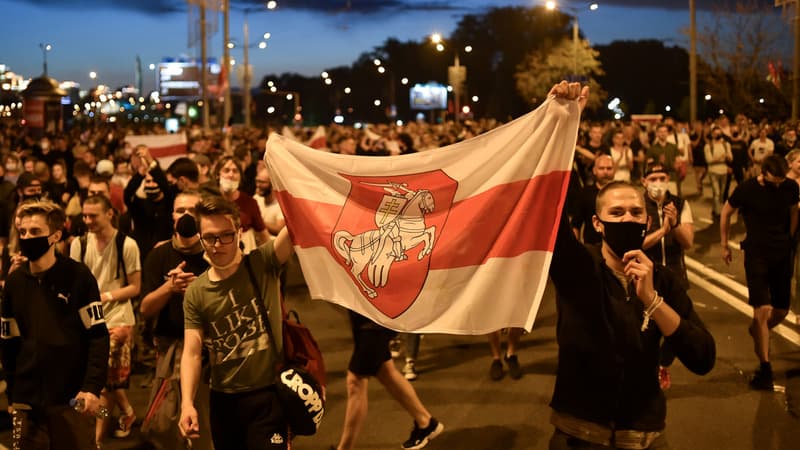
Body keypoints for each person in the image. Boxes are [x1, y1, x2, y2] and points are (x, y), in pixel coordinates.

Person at [547, 81, 715, 449]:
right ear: (597, 224)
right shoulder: (579, 267)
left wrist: (653, 301)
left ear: (648, 223)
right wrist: (560, 123)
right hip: (579, 433)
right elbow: (549, 207)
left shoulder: (664, 282)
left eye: (636, 212)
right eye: (616, 212)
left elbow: (703, 357)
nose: (627, 219)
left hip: (643, 435)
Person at [178, 196, 294, 450]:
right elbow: (192, 352)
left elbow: (297, 224)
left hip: (268, 395)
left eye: (226, 235)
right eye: (210, 237)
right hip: (224, 400)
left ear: (239, 231)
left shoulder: (262, 263)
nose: (218, 245)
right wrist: (187, 403)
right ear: (200, 238)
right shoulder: (197, 292)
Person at [1, 199, 110, 449]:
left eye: (35, 232)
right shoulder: (15, 283)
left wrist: (92, 388)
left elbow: (98, 336)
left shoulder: (78, 277)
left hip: (71, 399)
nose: (27, 237)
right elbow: (9, 343)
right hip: (26, 404)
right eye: (23, 232)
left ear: (55, 235)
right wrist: (13, 394)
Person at [139, 190, 213, 450]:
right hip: (170, 351)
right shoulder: (158, 256)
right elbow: (145, 308)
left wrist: (200, 289)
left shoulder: (213, 254)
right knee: (167, 425)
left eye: (192, 211)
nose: (186, 216)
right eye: (180, 210)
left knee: (204, 423)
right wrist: (169, 288)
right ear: (172, 216)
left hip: (207, 354)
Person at [720, 154, 798, 390]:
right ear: (763, 173)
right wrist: (724, 244)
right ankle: (765, 368)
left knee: (782, 310)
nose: (778, 185)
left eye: (781, 180)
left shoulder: (790, 186)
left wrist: (790, 238)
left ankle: (758, 330)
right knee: (762, 310)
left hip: (783, 253)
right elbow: (726, 212)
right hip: (757, 253)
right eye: (774, 180)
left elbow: (794, 211)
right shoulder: (747, 189)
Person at [70, 194, 142, 445]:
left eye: (93, 216)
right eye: (85, 215)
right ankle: (123, 413)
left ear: (109, 214)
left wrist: (105, 296)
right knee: (106, 385)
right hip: (88, 321)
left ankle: (97, 438)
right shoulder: (78, 243)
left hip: (119, 319)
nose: (87, 220)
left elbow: (135, 287)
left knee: (100, 384)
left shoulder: (127, 244)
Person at [332, 312, 443, 450]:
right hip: (364, 313)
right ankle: (426, 422)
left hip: (377, 319)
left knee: (356, 381)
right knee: (384, 371)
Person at [641, 162, 695, 389]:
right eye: (653, 179)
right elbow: (638, 243)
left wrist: (674, 225)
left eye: (662, 178)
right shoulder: (638, 205)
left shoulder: (680, 204)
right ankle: (644, 374)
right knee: (648, 330)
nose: (658, 183)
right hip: (647, 278)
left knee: (682, 326)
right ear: (644, 181)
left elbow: (688, 242)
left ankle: (662, 364)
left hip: (676, 277)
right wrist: (662, 231)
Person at [569, 154, 616, 245]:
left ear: (615, 170)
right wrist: (575, 248)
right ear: (594, 171)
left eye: (609, 168)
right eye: (601, 168)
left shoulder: (622, 192)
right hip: (592, 247)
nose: (605, 172)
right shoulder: (585, 193)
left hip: (618, 247)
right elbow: (576, 224)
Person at [704, 125, 732, 220]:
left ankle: (717, 208)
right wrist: (721, 157)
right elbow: (709, 160)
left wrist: (727, 157)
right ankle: (717, 213)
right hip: (713, 172)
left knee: (721, 193)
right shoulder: (708, 146)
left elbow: (730, 157)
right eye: (715, 134)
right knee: (716, 193)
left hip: (724, 171)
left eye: (719, 133)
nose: (718, 135)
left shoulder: (726, 144)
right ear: (712, 135)